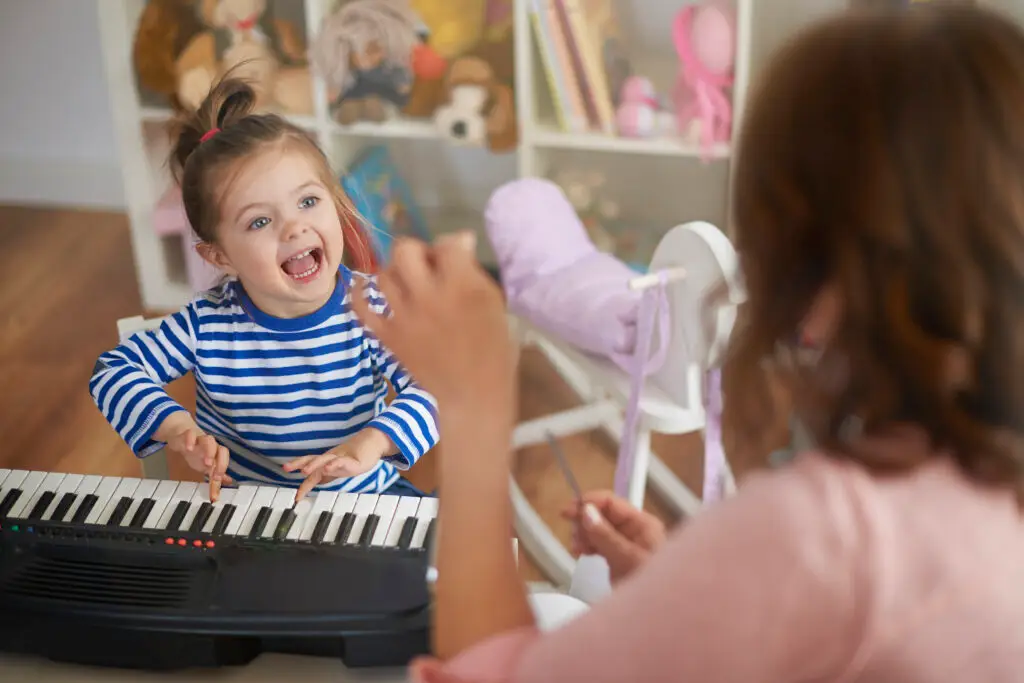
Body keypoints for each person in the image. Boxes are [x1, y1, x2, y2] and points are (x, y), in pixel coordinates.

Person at [348, 4, 1024, 681]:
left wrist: (473, 407)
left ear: (807, 265)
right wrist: (687, 584)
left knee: (553, 610)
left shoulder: (828, 534)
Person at [89, 76, 439, 503]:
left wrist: (372, 443)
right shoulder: (206, 324)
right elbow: (113, 372)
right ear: (220, 257)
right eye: (259, 221)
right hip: (246, 512)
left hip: (366, 500)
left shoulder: (373, 308)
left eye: (308, 201)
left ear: (335, 201)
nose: (294, 227)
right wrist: (176, 428)